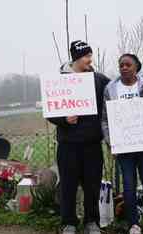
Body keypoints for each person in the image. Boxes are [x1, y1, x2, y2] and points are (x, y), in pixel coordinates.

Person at [47, 40, 110, 234]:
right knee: (68, 186)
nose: (90, 60)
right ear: (76, 58)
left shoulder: (99, 80)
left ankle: (92, 222)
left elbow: (116, 93)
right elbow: (50, 112)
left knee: (92, 186)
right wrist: (64, 119)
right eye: (86, 56)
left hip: (92, 144)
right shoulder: (59, 81)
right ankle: (69, 223)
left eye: (90, 55)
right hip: (68, 145)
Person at [101, 54, 143, 234]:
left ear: (137, 67)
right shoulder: (111, 89)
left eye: (128, 64)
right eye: (121, 65)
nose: (124, 68)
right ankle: (134, 224)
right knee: (128, 186)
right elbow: (105, 120)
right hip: (123, 148)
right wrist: (110, 141)